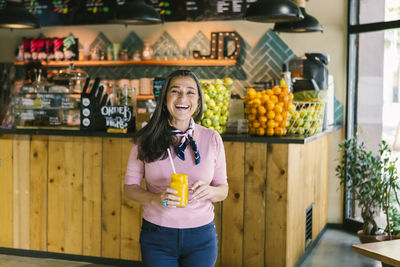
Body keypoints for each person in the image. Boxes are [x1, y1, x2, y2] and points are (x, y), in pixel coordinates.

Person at [124, 70, 229, 267]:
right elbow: (129, 187)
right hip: (157, 237)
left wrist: (211, 191)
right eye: (175, 91)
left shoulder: (212, 138)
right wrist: (155, 198)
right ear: (165, 99)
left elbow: (223, 189)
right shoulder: (145, 139)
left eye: (190, 92)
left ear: (198, 101)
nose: (183, 97)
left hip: (201, 237)